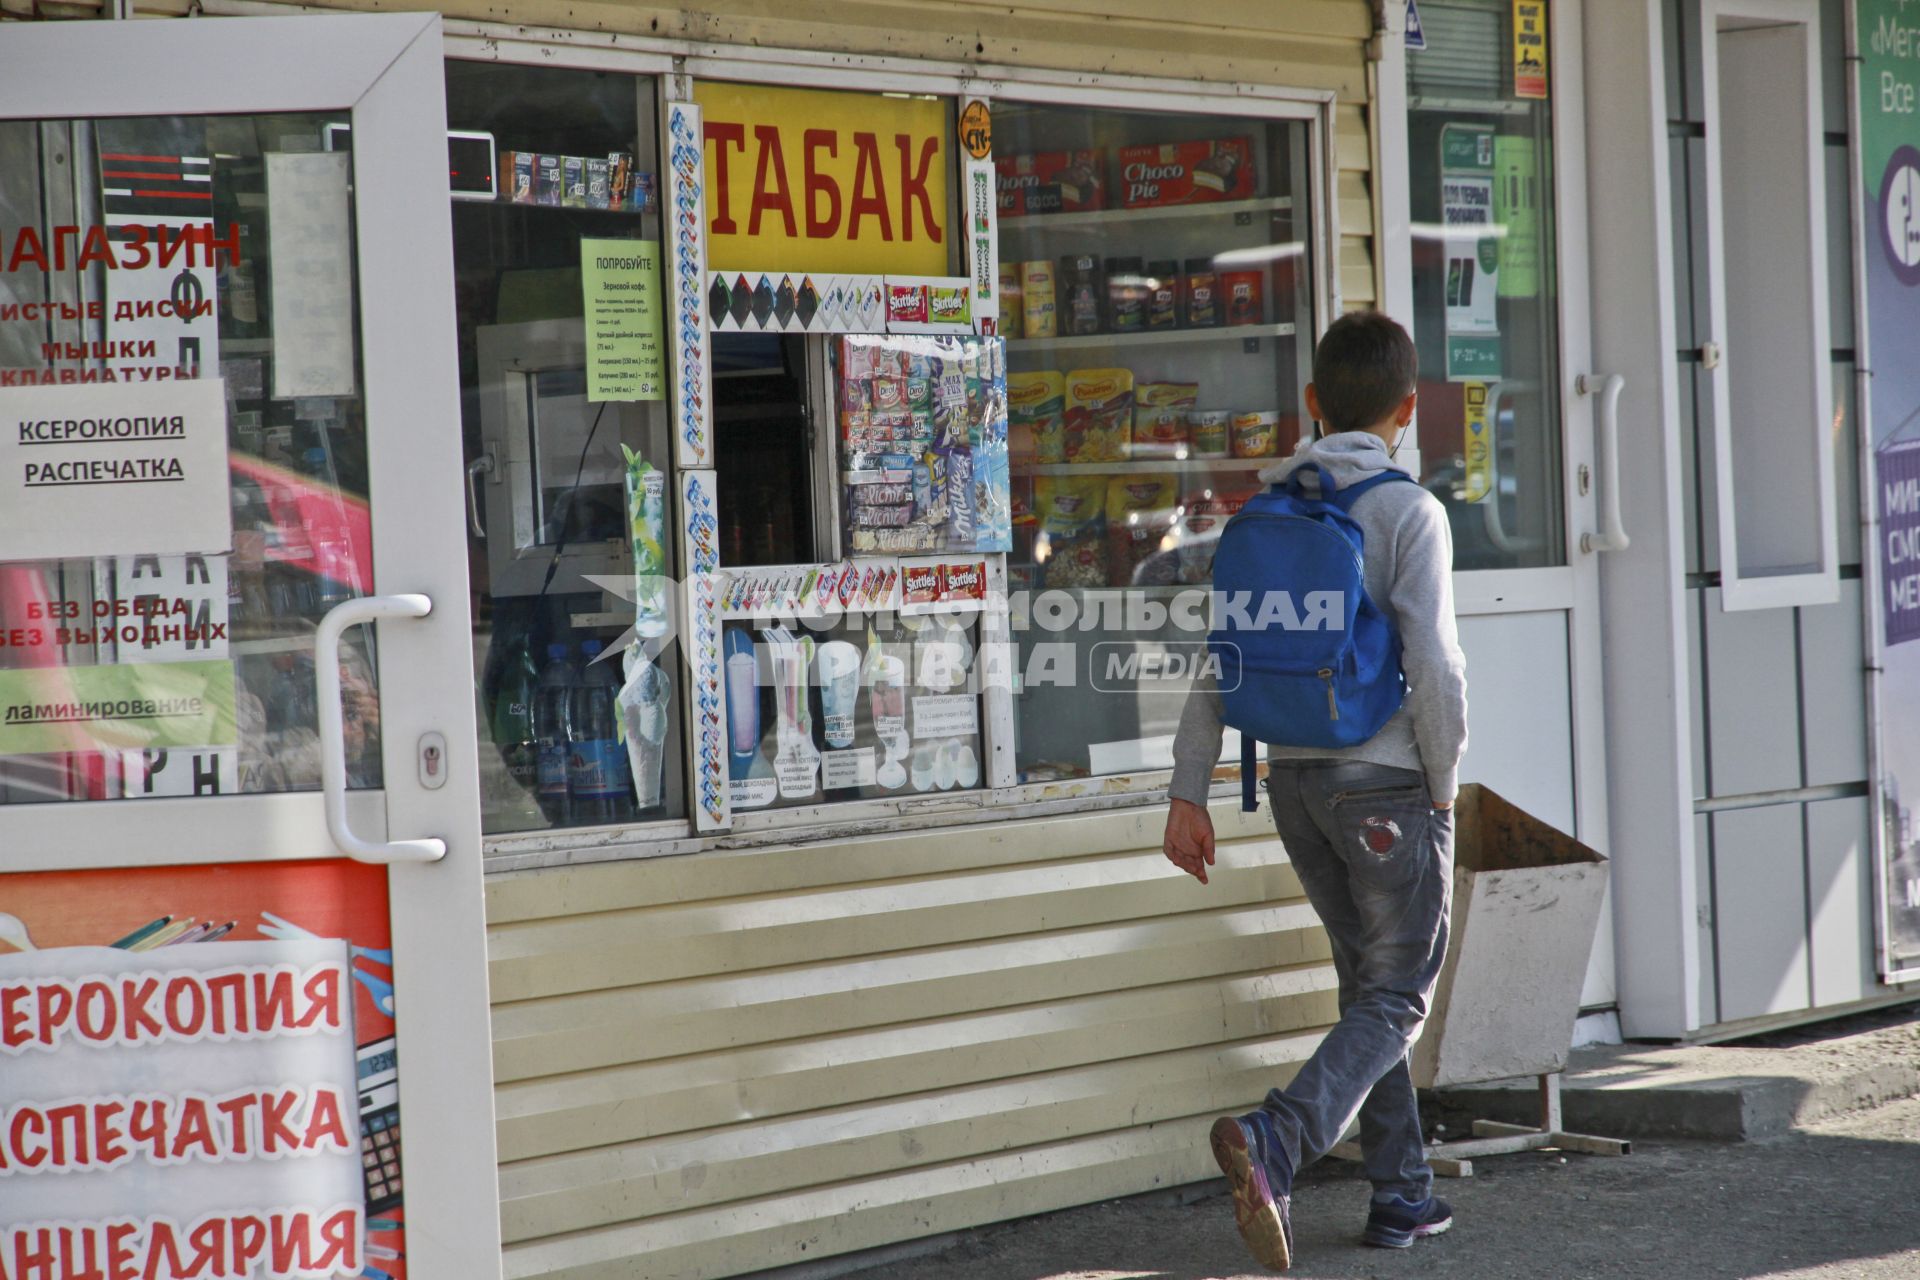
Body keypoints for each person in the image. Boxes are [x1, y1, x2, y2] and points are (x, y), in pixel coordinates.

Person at [1163, 310, 1468, 1270]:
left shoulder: (1263, 513)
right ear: (1409, 410)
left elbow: (1222, 662)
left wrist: (1186, 791)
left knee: (1366, 993)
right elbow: (1439, 671)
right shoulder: (1408, 511)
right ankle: (1278, 1140)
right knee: (1402, 995)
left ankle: (1403, 1197)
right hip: (1384, 787)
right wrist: (1445, 786)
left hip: (1292, 787)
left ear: (1310, 405)